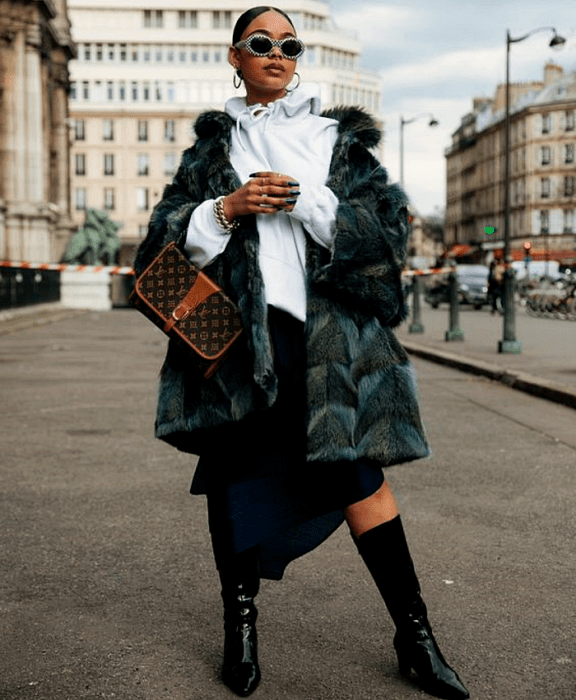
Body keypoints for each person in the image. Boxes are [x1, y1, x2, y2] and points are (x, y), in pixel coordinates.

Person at [135, 6, 470, 699]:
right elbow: (156, 254)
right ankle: (242, 631)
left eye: (290, 44)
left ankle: (415, 636)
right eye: (262, 43)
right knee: (232, 481)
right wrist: (225, 208)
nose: (278, 53)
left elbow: (388, 237)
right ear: (236, 56)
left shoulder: (334, 141)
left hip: (327, 343)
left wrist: (311, 204)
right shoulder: (210, 153)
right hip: (234, 343)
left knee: (359, 480)